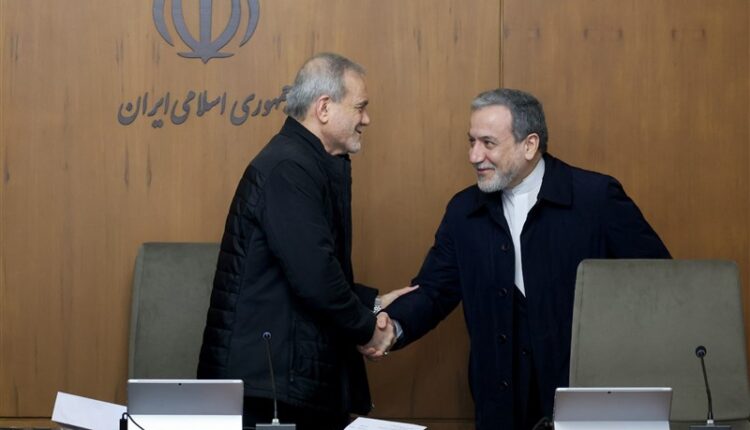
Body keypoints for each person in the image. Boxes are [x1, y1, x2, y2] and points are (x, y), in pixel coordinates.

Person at [377, 89, 671, 430]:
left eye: (488, 143)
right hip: (499, 408)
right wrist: (391, 327)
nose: (474, 156)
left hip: (586, 404)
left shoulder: (596, 198)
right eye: (471, 141)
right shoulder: (463, 211)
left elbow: (658, 284)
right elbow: (434, 290)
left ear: (529, 145)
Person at [197, 52, 411, 430]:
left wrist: (372, 303)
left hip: (282, 380)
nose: (366, 119)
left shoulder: (305, 162)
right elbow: (315, 276)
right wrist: (367, 328)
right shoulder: (289, 168)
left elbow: (303, 270)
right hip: (269, 390)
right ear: (324, 108)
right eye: (360, 107)